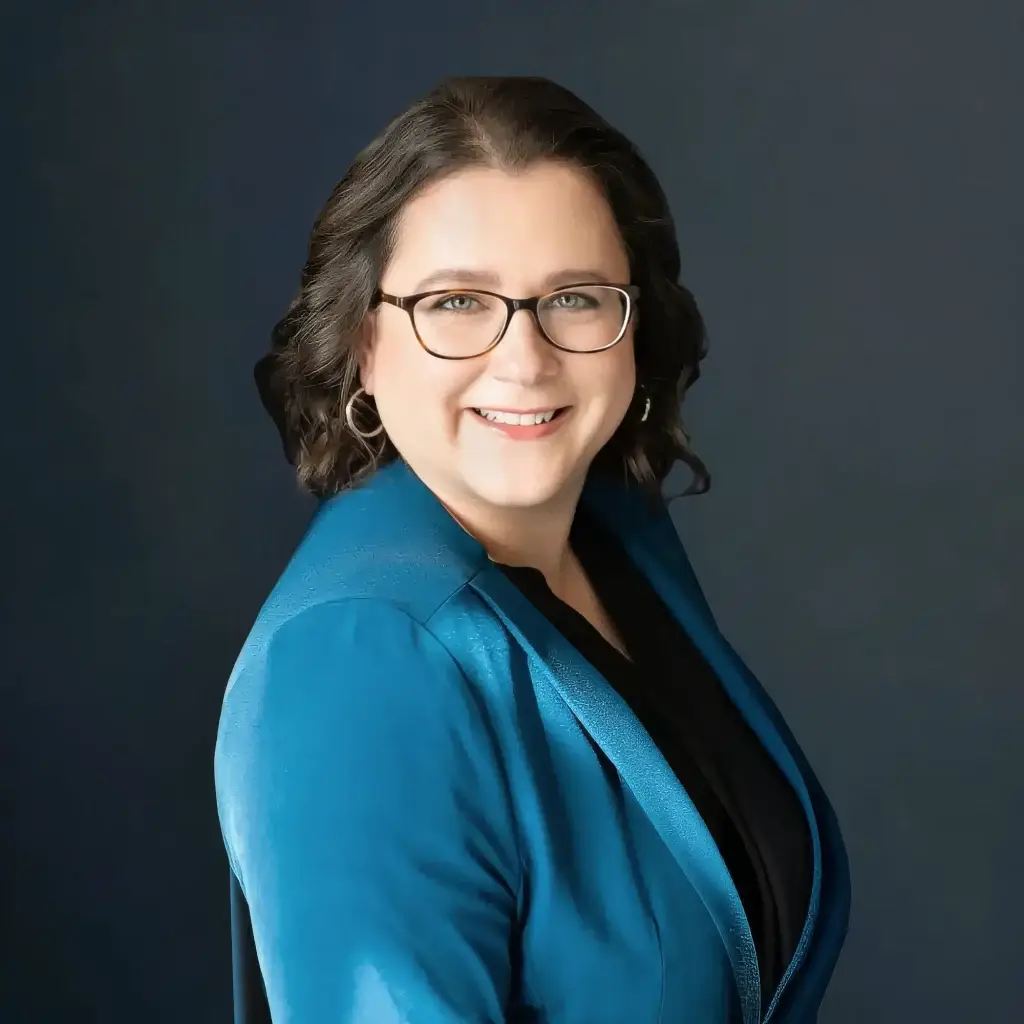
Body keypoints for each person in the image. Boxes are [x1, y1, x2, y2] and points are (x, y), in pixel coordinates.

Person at [214, 75, 850, 1024]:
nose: (526, 359)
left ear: (634, 325)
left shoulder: (612, 537)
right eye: (459, 302)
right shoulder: (358, 656)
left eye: (576, 298)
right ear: (362, 341)